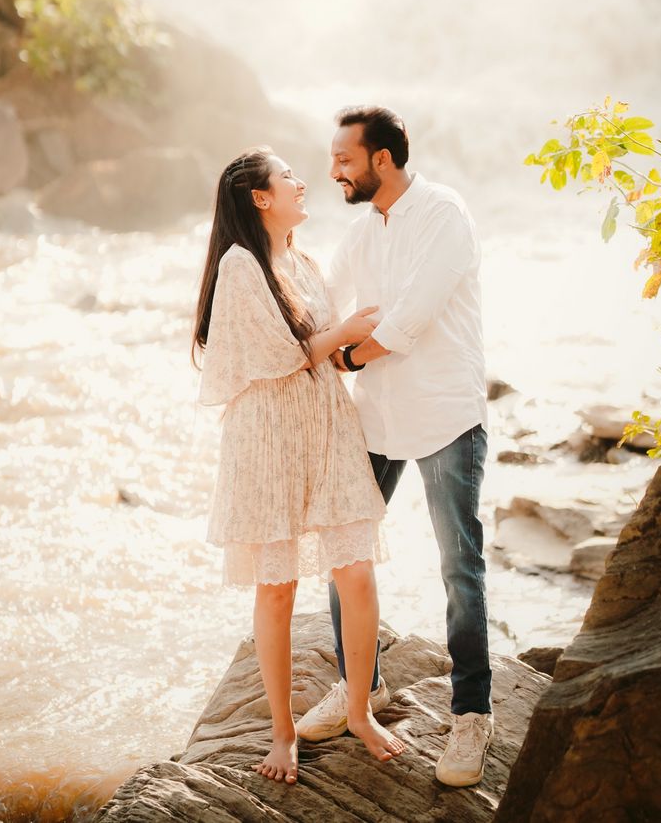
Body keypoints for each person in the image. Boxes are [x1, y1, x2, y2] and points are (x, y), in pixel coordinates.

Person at [193, 145, 408, 785]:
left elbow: (320, 353)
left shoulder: (304, 260)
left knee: (357, 571)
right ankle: (282, 734)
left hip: (324, 424)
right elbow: (286, 355)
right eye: (288, 177)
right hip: (268, 439)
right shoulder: (240, 265)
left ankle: (361, 710)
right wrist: (344, 332)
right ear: (261, 197)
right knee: (278, 587)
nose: (300, 182)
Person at [296, 106, 494, 789]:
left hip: (445, 415)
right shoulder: (360, 233)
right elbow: (321, 303)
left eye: (344, 160)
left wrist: (345, 359)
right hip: (376, 420)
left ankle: (473, 712)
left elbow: (408, 321)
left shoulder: (445, 214)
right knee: (344, 553)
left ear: (382, 159)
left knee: (458, 568)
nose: (333, 172)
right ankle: (362, 688)